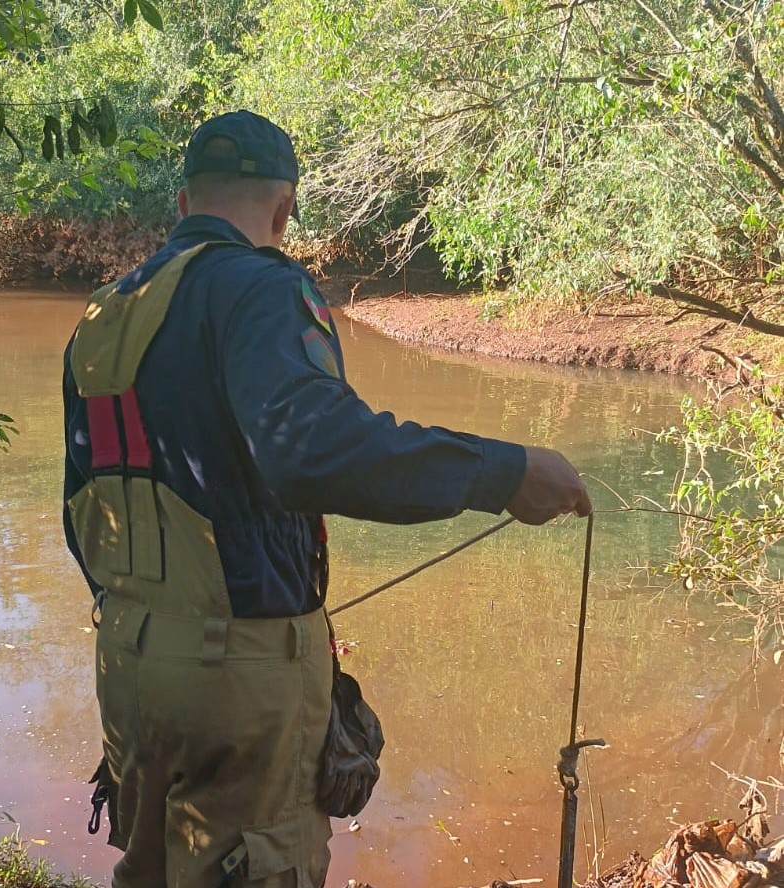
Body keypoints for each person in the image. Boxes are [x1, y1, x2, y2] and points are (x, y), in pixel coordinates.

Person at [62, 109, 592, 888]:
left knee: (150, 871)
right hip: (237, 681)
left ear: (183, 205)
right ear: (282, 211)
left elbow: (82, 506)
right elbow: (313, 450)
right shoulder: (262, 287)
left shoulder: (105, 312)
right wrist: (505, 473)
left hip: (127, 663)